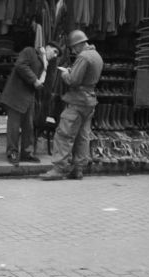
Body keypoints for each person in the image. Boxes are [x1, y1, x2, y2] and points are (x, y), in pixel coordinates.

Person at [42, 30, 104, 181]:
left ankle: (59, 168)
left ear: (79, 44)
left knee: (64, 134)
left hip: (77, 101)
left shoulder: (83, 56)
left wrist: (65, 74)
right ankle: (78, 169)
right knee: (82, 136)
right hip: (89, 101)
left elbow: (73, 81)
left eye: (73, 48)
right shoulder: (96, 56)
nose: (73, 51)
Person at [0, 41, 62, 165]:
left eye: (57, 54)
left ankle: (27, 153)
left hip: (29, 96)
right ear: (47, 47)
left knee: (29, 126)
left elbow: (45, 81)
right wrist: (34, 80)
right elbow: (20, 65)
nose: (55, 55)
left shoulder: (45, 62)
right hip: (16, 94)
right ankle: (13, 153)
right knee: (14, 126)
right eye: (55, 51)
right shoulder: (29, 51)